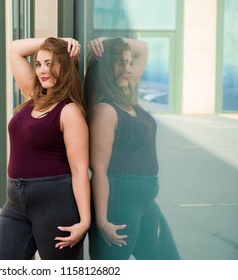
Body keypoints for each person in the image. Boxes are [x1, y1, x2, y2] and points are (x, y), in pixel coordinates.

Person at [0, 37, 90, 260]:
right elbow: (14, 49)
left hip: (55, 203)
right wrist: (59, 41)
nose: (43, 70)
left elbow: (80, 170)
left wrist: (84, 221)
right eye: (39, 63)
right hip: (15, 202)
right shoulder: (33, 97)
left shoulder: (69, 111)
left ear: (65, 65)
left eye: (50, 63)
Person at [84, 37, 180, 260]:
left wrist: (105, 41)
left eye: (129, 62)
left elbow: (143, 48)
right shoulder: (105, 109)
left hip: (145, 200)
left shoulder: (125, 95)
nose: (129, 69)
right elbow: (99, 170)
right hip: (119, 202)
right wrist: (102, 220)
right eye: (121, 63)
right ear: (108, 67)